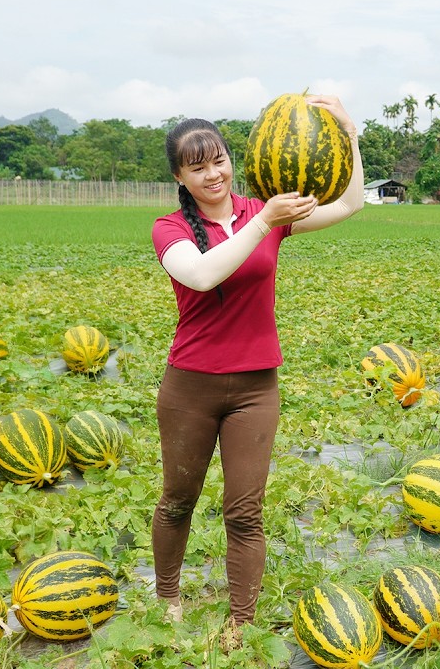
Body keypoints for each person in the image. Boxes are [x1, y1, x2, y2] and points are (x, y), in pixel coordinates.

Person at [149, 96, 363, 644]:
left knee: (245, 510)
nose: (213, 174)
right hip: (190, 387)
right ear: (180, 175)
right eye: (197, 167)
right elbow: (200, 275)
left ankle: (240, 621)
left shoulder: (263, 211)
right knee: (178, 500)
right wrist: (265, 218)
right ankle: (168, 595)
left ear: (230, 159)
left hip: (255, 387)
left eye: (218, 160)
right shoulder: (170, 228)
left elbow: (350, 205)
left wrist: (349, 133)